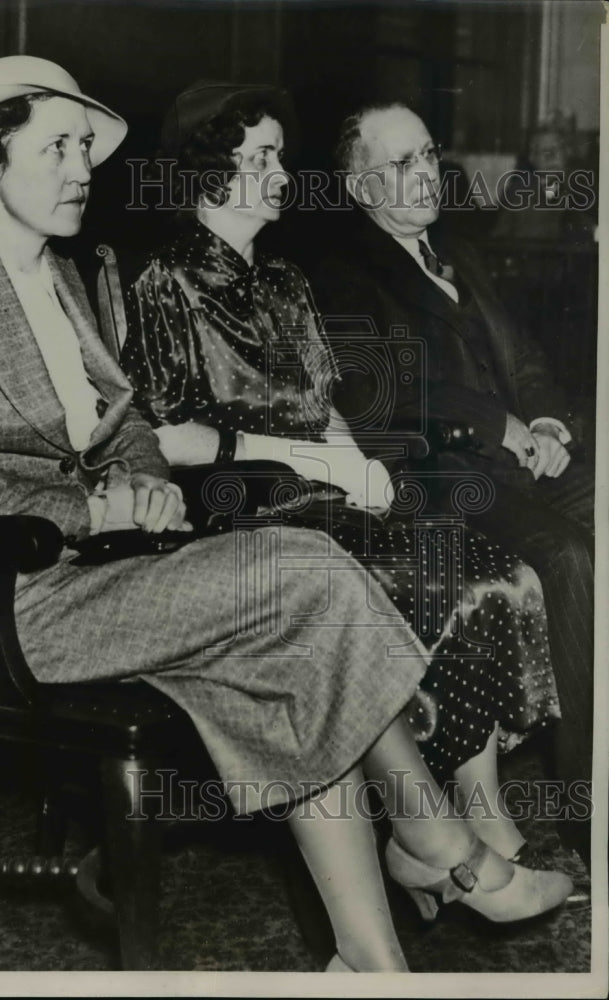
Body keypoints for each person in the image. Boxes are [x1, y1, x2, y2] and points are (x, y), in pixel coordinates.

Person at [0, 59, 572, 975]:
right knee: (305, 571)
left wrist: (141, 482)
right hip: (12, 597)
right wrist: (82, 505)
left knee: (297, 635)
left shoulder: (61, 275)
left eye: (86, 145)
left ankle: (367, 959)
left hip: (112, 568)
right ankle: (437, 843)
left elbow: (125, 428)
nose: (83, 165)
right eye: (57, 146)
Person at [312, 102, 595, 867]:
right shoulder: (341, 273)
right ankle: (587, 816)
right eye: (399, 164)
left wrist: (546, 424)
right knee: (570, 557)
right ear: (360, 186)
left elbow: (527, 357)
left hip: (519, 460)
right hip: (441, 480)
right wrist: (504, 428)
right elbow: (395, 395)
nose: (423, 174)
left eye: (427, 154)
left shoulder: (457, 252)